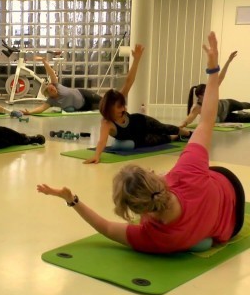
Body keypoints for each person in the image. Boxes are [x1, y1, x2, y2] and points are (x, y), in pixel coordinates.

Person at [38, 32, 245, 254]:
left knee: (200, 242)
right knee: (181, 160)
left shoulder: (154, 238)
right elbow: (207, 120)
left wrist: (72, 200)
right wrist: (213, 70)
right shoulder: (187, 171)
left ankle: (201, 232)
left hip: (232, 226)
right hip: (227, 183)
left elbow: (106, 227)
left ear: (133, 212)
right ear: (156, 178)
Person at [84, 44, 192, 164]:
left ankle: (188, 134)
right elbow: (102, 141)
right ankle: (177, 137)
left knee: (165, 128)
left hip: (142, 122)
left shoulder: (119, 99)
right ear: (109, 108)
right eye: (119, 107)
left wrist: (136, 59)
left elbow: (129, 81)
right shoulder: (107, 123)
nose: (123, 109)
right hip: (138, 139)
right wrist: (97, 155)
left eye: (123, 105)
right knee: (162, 139)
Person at [180, 51, 250, 127]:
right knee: (247, 119)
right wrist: (182, 125)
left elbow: (221, 77)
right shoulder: (197, 107)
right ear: (200, 96)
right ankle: (244, 115)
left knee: (243, 105)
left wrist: (228, 61)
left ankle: (242, 111)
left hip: (228, 105)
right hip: (224, 117)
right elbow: (190, 117)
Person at [21, 55, 102, 115]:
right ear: (49, 94)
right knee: (102, 108)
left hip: (83, 94)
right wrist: (29, 112)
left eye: (52, 87)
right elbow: (41, 108)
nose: (53, 88)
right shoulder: (51, 101)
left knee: (103, 101)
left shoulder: (56, 85)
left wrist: (44, 62)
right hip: (82, 107)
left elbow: (51, 73)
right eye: (51, 90)